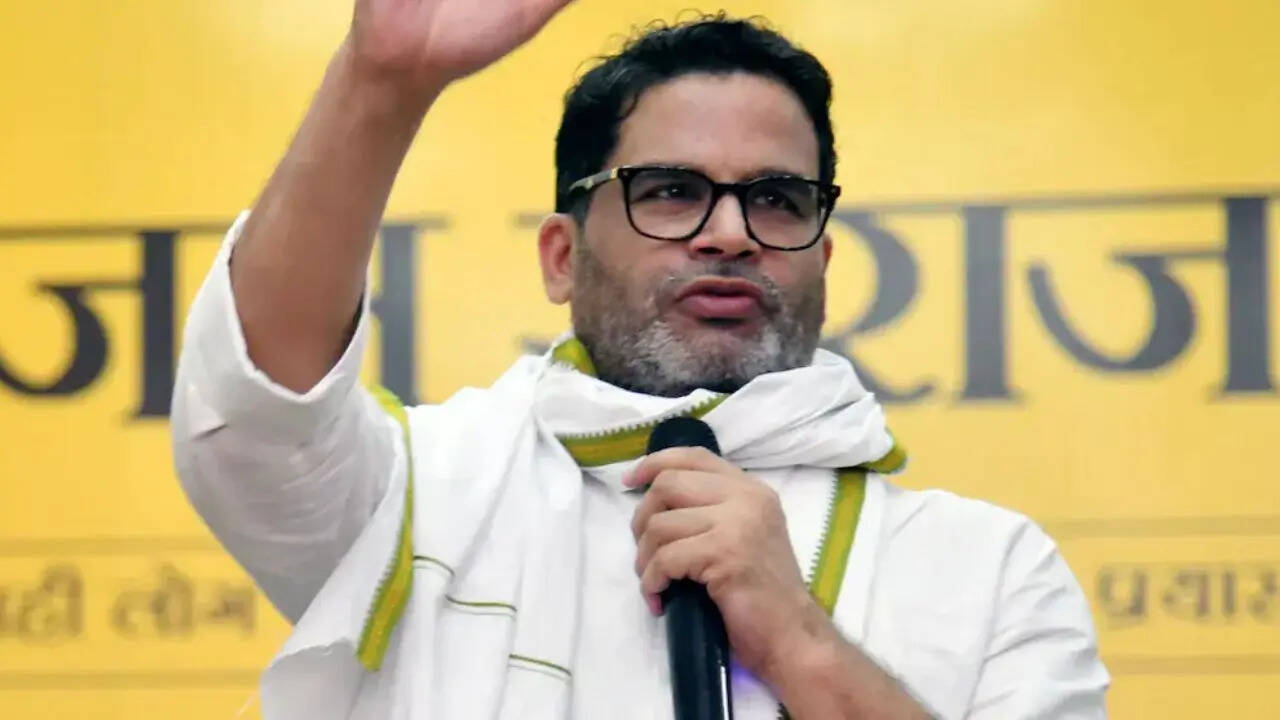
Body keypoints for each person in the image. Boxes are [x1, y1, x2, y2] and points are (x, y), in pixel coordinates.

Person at [170, 1, 1109, 718]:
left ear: (823, 258)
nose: (730, 233)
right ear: (561, 257)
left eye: (777, 200)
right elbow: (256, 412)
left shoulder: (990, 568)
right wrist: (379, 84)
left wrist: (797, 641)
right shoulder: (426, 490)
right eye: (669, 191)